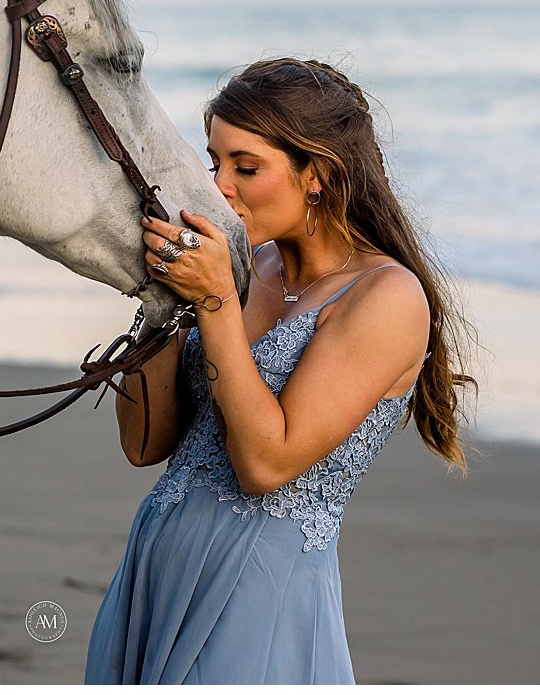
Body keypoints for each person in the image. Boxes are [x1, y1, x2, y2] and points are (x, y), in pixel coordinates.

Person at [84, 57, 477, 684]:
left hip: (258, 588)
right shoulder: (247, 267)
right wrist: (157, 297)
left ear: (316, 174)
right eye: (214, 163)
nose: (219, 187)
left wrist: (212, 303)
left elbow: (267, 464)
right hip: (155, 570)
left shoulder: (385, 297)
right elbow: (145, 443)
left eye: (246, 167)